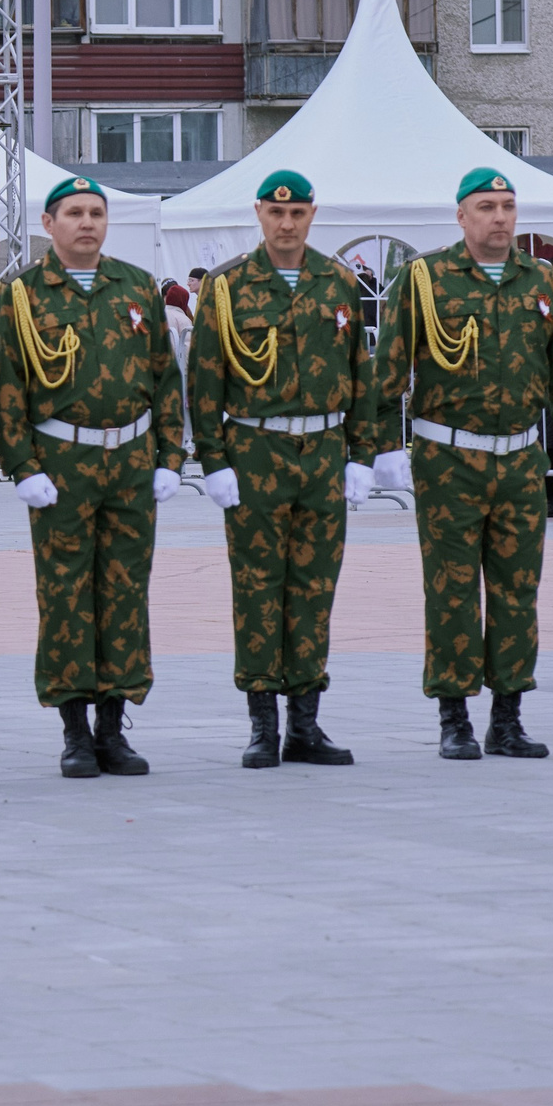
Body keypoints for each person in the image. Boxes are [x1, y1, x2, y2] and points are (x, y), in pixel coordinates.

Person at [372, 169, 553, 760]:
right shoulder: (425, 278)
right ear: (461, 217)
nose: (500, 217)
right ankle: (454, 716)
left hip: (520, 458)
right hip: (449, 457)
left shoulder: (543, 280)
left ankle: (508, 716)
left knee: (518, 589)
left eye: (508, 206)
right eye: (486, 207)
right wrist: (381, 447)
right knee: (452, 590)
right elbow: (388, 367)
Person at [0, 176, 186, 778]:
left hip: (129, 463)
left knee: (125, 595)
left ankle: (112, 729)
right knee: (67, 597)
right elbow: (5, 388)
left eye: (96, 212)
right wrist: (22, 466)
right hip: (62, 465)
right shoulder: (21, 295)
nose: (87, 223)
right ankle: (74, 731)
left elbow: (164, 379)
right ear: (49, 225)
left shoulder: (136, 286)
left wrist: (170, 458)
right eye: (73, 213)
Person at [184, 172, 377, 769]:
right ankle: (262, 723)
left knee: (315, 589)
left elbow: (361, 376)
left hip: (321, 454)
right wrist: (213, 461)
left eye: (296, 213)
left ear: (312, 215)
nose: (286, 223)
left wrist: (361, 455)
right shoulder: (227, 287)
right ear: (260, 214)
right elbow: (205, 381)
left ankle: (306, 723)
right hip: (255, 453)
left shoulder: (339, 281)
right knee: (258, 589)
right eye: (275, 212)